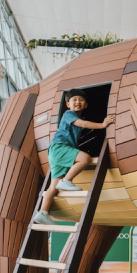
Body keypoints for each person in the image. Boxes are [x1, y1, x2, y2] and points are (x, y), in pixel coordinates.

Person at [31, 89, 114, 225]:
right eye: (74, 99)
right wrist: (103, 125)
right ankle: (67, 180)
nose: (78, 102)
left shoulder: (76, 117)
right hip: (60, 147)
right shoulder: (68, 114)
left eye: (81, 100)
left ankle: (43, 213)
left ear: (86, 105)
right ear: (68, 105)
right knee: (85, 158)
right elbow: (82, 124)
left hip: (55, 152)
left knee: (53, 186)